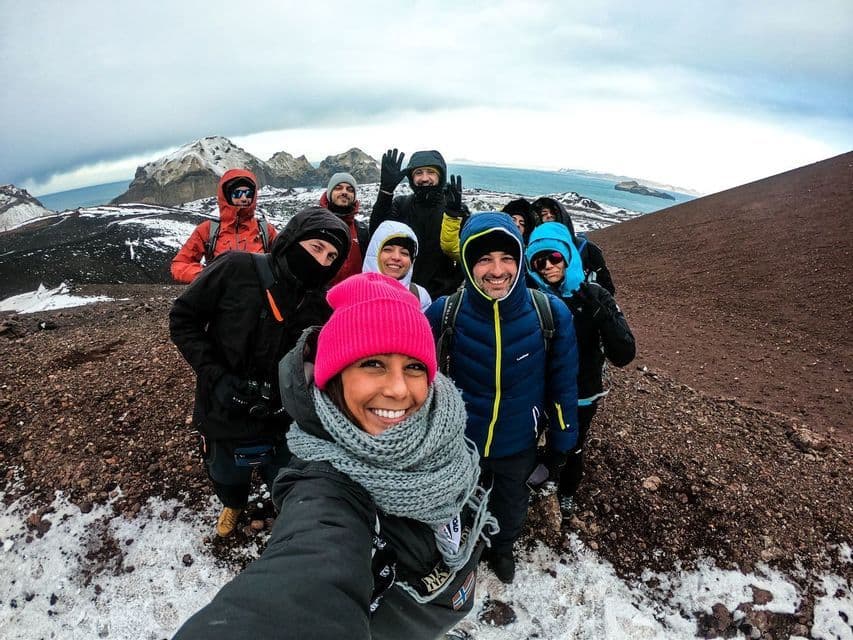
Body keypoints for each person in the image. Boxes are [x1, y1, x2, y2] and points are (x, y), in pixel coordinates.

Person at [173, 273, 497, 640]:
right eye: (372, 364)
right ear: (335, 378)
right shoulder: (326, 486)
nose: (397, 388)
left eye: (414, 366)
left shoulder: (441, 427)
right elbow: (307, 577)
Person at [169, 207, 350, 537]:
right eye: (315, 248)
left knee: (282, 470)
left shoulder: (319, 305)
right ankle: (233, 503)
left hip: (282, 417)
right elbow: (184, 319)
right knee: (225, 471)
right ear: (292, 240)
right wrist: (217, 377)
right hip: (221, 408)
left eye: (331, 257)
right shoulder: (236, 268)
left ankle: (283, 505)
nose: (322, 261)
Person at [425, 212, 579, 584]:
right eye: (483, 260)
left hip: (517, 442)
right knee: (457, 503)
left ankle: (502, 548)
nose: (497, 270)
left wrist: (562, 442)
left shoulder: (550, 313)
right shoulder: (444, 312)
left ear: (520, 261)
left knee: (511, 505)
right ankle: (462, 553)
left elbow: (563, 384)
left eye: (506, 258)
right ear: (467, 264)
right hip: (458, 443)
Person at [526, 222, 636, 509]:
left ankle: (567, 493)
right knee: (531, 436)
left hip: (581, 391)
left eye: (555, 258)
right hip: (539, 387)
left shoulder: (596, 296)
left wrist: (604, 317)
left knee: (573, 443)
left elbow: (624, 354)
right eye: (539, 261)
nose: (548, 266)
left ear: (568, 256)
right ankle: (535, 479)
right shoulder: (530, 298)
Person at [370, 148, 465, 298]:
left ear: (441, 176)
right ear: (411, 178)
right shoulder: (401, 205)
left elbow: (464, 253)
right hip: (400, 292)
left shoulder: (453, 210)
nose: (425, 178)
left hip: (441, 298)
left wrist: (451, 284)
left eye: (431, 172)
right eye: (418, 173)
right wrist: (385, 192)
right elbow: (377, 234)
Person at [171, 169, 277, 284]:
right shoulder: (207, 230)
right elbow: (180, 264)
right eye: (237, 193)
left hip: (259, 299)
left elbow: (284, 261)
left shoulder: (266, 230)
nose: (244, 198)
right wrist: (209, 275)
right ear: (226, 195)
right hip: (218, 298)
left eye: (248, 193)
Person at [531, 196, 615, 294]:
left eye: (553, 213)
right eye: (544, 214)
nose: (549, 216)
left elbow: (607, 287)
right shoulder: (532, 253)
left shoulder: (586, 249)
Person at [363, 220, 432, 310]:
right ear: (375, 253)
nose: (396, 257)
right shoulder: (354, 291)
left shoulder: (419, 295)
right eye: (388, 250)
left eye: (404, 253)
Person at [319, 172, 370, 285]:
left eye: (350, 189)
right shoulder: (315, 225)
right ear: (329, 193)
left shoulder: (362, 230)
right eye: (338, 188)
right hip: (321, 299)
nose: (344, 192)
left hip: (356, 296)